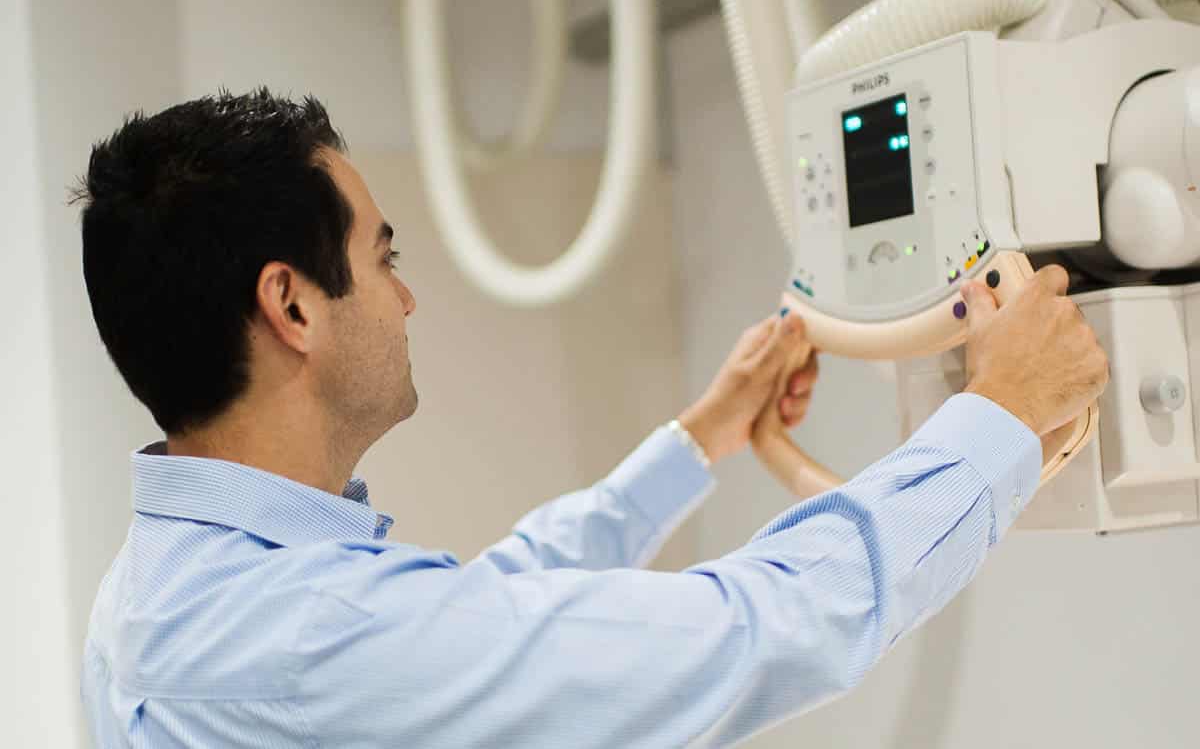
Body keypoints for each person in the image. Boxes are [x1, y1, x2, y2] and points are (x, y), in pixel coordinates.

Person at [77, 89, 1107, 748]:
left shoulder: (161, 593)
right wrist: (999, 414)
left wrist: (699, 440)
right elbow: (758, 634)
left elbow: (484, 616)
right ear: (291, 305)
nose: (405, 300)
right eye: (383, 258)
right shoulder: (306, 636)